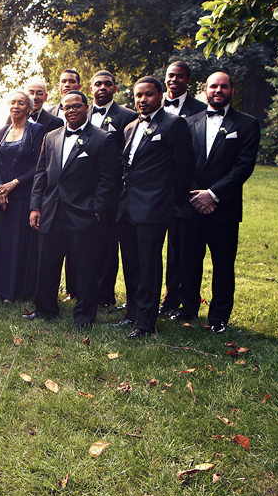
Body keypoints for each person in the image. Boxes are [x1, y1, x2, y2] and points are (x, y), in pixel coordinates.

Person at [171, 72, 260, 333]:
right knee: (188, 261)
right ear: (205, 90)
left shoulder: (246, 124)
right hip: (191, 206)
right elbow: (179, 164)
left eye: (224, 86)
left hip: (225, 207)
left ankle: (219, 317)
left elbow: (244, 166)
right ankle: (187, 309)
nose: (218, 90)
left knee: (223, 264)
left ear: (232, 90)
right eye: (213, 86)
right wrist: (193, 195)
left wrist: (212, 194)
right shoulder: (188, 122)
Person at [25, 91, 122, 327]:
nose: (71, 110)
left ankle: (84, 316)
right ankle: (45, 308)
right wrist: (35, 206)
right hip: (51, 211)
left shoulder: (102, 138)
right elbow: (40, 174)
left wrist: (97, 210)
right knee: (46, 264)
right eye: (66, 107)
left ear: (87, 107)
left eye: (76, 106)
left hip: (84, 214)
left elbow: (109, 181)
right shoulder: (51, 137)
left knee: (86, 269)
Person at [114, 77, 193, 338]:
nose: (142, 100)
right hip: (127, 207)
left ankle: (146, 323)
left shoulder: (173, 124)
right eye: (138, 95)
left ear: (160, 95)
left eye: (148, 94)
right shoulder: (130, 127)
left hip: (155, 207)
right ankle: (132, 314)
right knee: (131, 263)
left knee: (148, 265)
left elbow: (184, 168)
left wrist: (174, 202)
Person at [0, 90, 45, 303]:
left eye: (21, 103)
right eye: (12, 103)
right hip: (3, 198)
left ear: (29, 108)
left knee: (18, 244)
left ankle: (15, 291)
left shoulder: (37, 130)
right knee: (3, 243)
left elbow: (39, 164)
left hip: (23, 196)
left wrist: (15, 184)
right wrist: (0, 187)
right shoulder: (2, 130)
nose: (16, 106)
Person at [159, 60, 207, 315]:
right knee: (160, 250)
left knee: (184, 251)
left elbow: (198, 155)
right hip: (157, 190)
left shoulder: (200, 110)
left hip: (186, 190)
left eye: (179, 76)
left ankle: (187, 303)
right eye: (170, 76)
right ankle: (166, 301)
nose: (174, 80)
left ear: (189, 80)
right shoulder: (154, 106)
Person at [87, 71, 137, 310]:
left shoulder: (127, 116)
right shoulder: (80, 113)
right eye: (98, 84)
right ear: (91, 88)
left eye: (108, 84)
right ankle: (80, 289)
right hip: (81, 190)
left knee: (108, 244)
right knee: (84, 242)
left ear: (115, 88)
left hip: (112, 190)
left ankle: (106, 295)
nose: (102, 88)